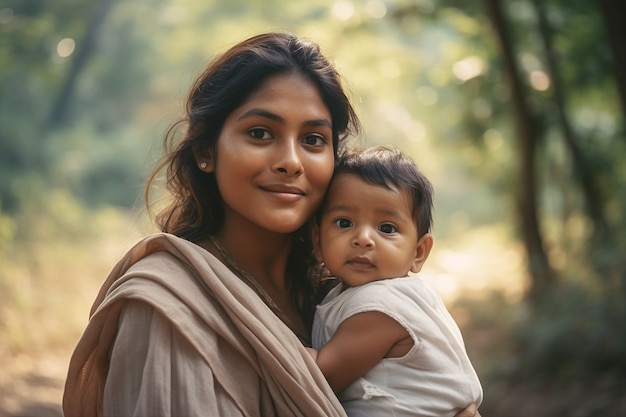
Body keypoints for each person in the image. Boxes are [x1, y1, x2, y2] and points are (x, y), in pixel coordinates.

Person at [62, 32, 482, 417]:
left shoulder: (334, 289)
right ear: (207, 150)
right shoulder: (170, 306)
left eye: (313, 140)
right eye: (261, 133)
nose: (291, 162)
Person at [308, 146, 483, 417]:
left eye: (387, 228)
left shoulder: (380, 306)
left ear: (418, 252)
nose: (363, 238)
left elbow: (320, 377)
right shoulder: (379, 295)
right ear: (317, 241)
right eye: (344, 223)